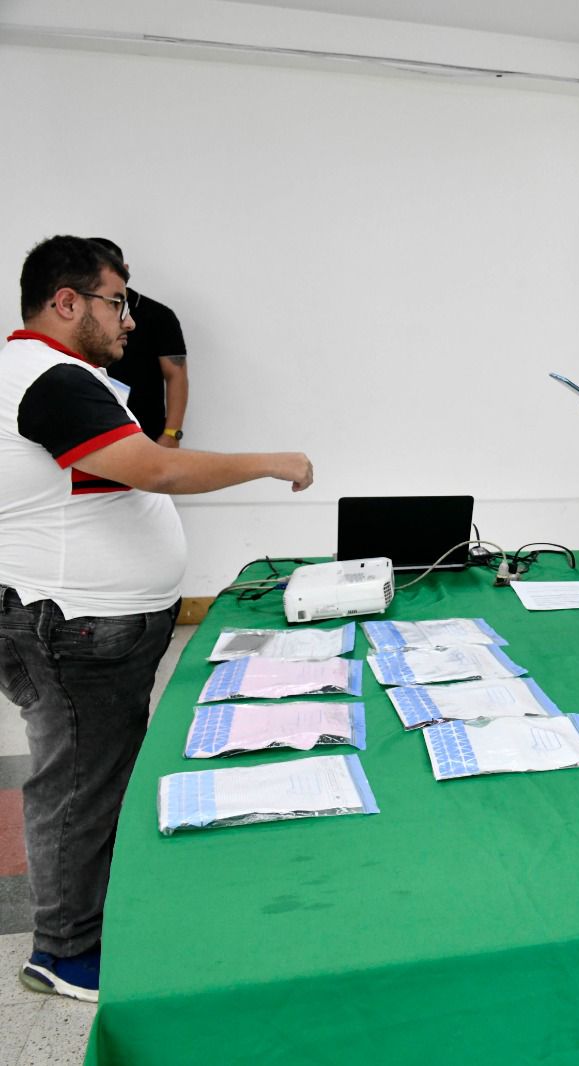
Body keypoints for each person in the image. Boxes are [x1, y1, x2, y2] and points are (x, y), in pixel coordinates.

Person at [0, 235, 313, 1002]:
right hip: (74, 626)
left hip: (72, 618)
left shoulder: (48, 375)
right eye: (116, 302)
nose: (129, 320)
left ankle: (95, 922)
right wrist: (271, 460)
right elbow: (158, 468)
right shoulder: (53, 379)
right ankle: (65, 952)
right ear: (65, 302)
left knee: (94, 778)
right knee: (78, 785)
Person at [89, 239, 189, 446]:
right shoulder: (79, 315)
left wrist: (172, 433)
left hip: (143, 434)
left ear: (125, 270)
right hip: (88, 432)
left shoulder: (158, 316)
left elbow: (176, 374)